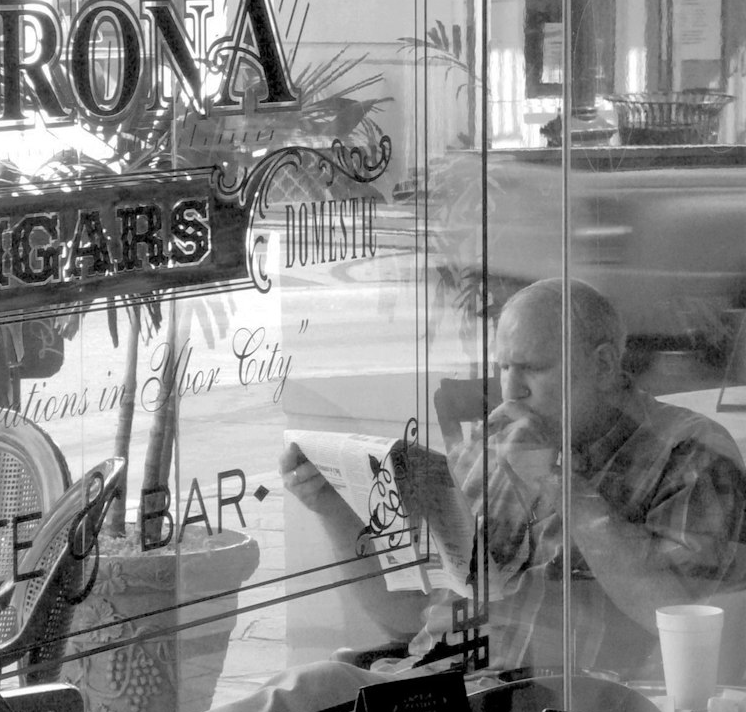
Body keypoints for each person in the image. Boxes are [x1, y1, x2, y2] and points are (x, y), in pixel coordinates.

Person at [281, 278, 746, 680]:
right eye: (504, 367)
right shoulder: (493, 453)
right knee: (300, 698)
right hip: (432, 692)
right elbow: (409, 619)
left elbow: (683, 620)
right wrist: (334, 510)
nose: (512, 389)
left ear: (604, 365)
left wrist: (561, 482)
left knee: (293, 706)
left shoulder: (691, 457)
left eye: (533, 369)